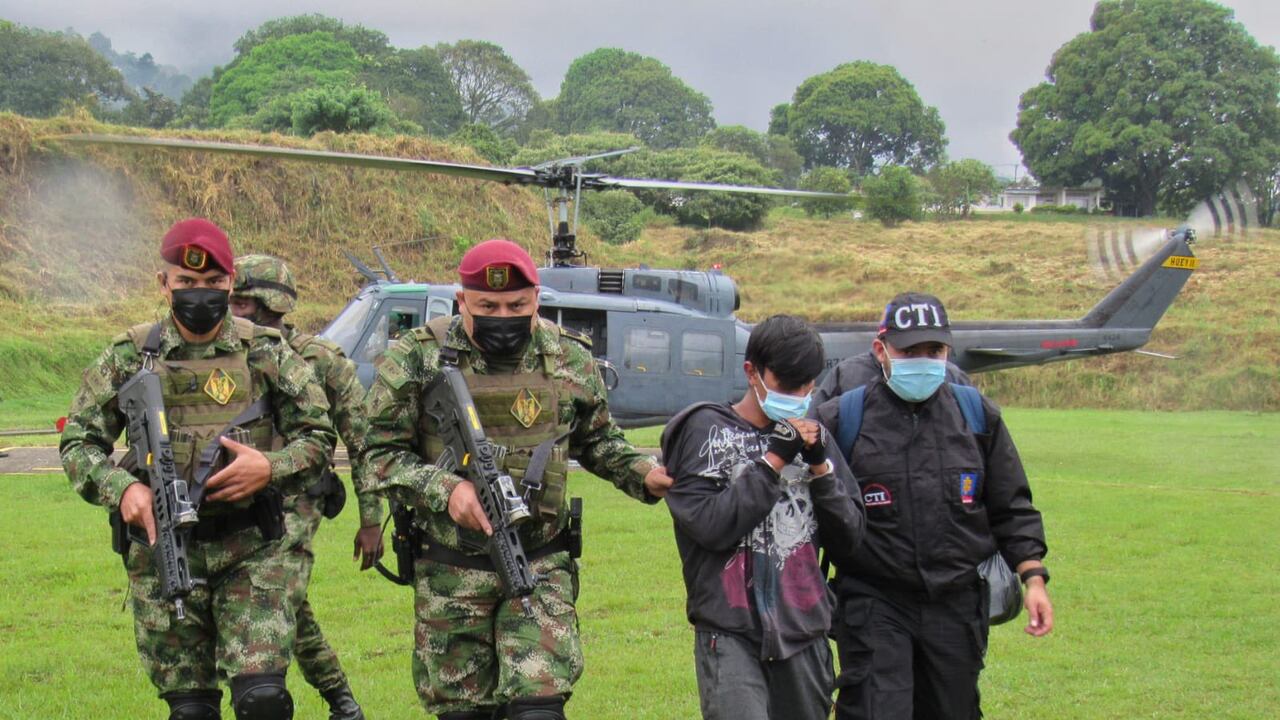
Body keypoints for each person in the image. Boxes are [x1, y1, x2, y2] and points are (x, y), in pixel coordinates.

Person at [359, 238, 673, 720]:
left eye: (516, 306)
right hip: (451, 571)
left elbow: (597, 440)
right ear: (461, 301)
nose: (502, 317)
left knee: (538, 711)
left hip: (539, 562)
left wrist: (646, 475)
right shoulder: (417, 358)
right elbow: (376, 454)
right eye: (487, 307)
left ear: (537, 299)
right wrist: (446, 490)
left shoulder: (567, 358)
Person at [60, 218, 338, 720]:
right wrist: (123, 490)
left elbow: (318, 436)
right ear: (163, 283)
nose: (200, 293)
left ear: (231, 284)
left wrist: (270, 467)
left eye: (213, 282)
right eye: (186, 281)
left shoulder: (265, 351)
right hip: (162, 550)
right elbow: (79, 442)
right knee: (191, 711)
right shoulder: (129, 357)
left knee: (264, 701)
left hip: (252, 549)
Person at [811, 292, 1054, 720]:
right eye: (909, 351)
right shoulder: (842, 420)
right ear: (880, 350)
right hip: (874, 601)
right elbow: (811, 512)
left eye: (934, 350)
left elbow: (1011, 503)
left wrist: (1033, 577)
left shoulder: (977, 416)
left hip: (956, 603)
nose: (923, 361)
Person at [660, 314, 865, 720]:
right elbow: (710, 526)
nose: (799, 395)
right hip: (730, 632)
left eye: (807, 385)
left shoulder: (815, 436)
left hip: (804, 632)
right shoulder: (703, 430)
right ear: (752, 372)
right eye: (787, 384)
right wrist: (772, 463)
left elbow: (851, 540)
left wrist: (821, 470)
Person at [230, 254, 384, 720]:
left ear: (268, 305)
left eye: (239, 303)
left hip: (296, 504)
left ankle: (275, 696)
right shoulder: (225, 356)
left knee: (277, 597)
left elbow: (363, 443)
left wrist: (371, 521)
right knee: (287, 605)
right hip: (233, 504)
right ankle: (343, 704)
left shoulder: (321, 361)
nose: (229, 311)